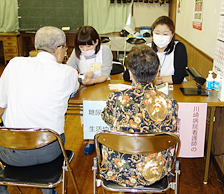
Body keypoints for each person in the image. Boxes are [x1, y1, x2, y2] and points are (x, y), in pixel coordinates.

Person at [0, 26, 79, 194]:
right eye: (65, 48)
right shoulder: (69, 73)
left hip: (13, 152)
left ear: (36, 45)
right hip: (50, 150)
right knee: (51, 139)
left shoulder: (15, 64)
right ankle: (47, 190)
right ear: (59, 48)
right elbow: (74, 90)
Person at [101, 44, 178, 187]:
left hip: (117, 169)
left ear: (130, 73)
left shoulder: (116, 98)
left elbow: (106, 118)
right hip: (154, 171)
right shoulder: (169, 102)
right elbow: (170, 128)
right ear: (157, 73)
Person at [66, 26, 113, 155]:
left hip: (103, 87)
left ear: (96, 42)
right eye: (82, 47)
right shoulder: (76, 54)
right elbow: (68, 70)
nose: (85, 50)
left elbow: (105, 73)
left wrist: (93, 80)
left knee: (103, 114)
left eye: (89, 46)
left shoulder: (105, 51)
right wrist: (82, 78)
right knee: (86, 115)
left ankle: (105, 140)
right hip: (85, 88)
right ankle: (90, 140)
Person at [123, 15, 187, 85]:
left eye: (165, 34)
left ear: (171, 35)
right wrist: (154, 80)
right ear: (152, 33)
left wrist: (159, 80)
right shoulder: (146, 49)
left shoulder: (178, 48)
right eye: (157, 33)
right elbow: (127, 76)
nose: (161, 36)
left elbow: (179, 78)